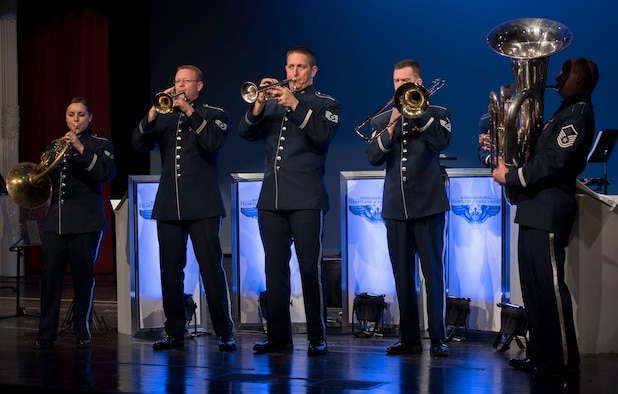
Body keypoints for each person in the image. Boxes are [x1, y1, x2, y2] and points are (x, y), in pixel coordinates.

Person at [493, 58, 599, 379]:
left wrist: (510, 178)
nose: (556, 75)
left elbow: (553, 161)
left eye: (564, 73)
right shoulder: (564, 113)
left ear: (580, 81)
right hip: (535, 208)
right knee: (535, 291)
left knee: (551, 290)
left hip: (550, 209)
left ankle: (563, 359)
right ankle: (541, 352)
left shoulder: (577, 116)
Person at [238, 45, 341, 357]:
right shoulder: (271, 104)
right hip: (272, 199)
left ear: (313, 71)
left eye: (300, 67)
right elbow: (245, 132)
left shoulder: (326, 103)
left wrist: (295, 104)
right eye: (290, 67)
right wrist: (258, 103)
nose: (294, 73)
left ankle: (316, 337)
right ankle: (279, 337)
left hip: (307, 199)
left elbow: (322, 135)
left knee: (310, 270)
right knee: (275, 270)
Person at [132, 64, 235, 352]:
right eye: (176, 81)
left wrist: (190, 112)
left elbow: (213, 142)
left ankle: (225, 331)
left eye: (185, 81)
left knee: (211, 270)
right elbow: (138, 143)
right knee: (170, 271)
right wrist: (152, 113)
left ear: (198, 86)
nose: (179, 86)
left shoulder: (214, 114)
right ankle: (175, 330)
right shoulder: (163, 116)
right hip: (169, 205)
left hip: (203, 205)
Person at [365, 59, 451, 357]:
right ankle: (409, 337)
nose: (401, 86)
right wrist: (389, 127)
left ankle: (438, 337)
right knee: (403, 276)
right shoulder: (382, 120)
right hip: (395, 208)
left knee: (433, 274)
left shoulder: (437, 114)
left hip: (428, 206)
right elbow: (373, 157)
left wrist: (419, 112)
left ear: (419, 82)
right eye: (397, 82)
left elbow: (440, 140)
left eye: (406, 81)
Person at [34, 97, 116, 350]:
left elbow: (105, 174)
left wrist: (81, 148)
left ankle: (83, 330)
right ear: (66, 117)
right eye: (71, 114)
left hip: (85, 223)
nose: (76, 119)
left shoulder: (100, 144)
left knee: (83, 279)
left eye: (81, 114)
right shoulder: (53, 145)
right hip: (56, 223)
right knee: (49, 280)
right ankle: (45, 333)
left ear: (90, 117)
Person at [478, 84, 515, 167]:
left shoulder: (527, 121)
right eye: (510, 103)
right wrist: (493, 160)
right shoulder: (487, 121)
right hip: (497, 169)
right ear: (505, 102)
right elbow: (483, 150)